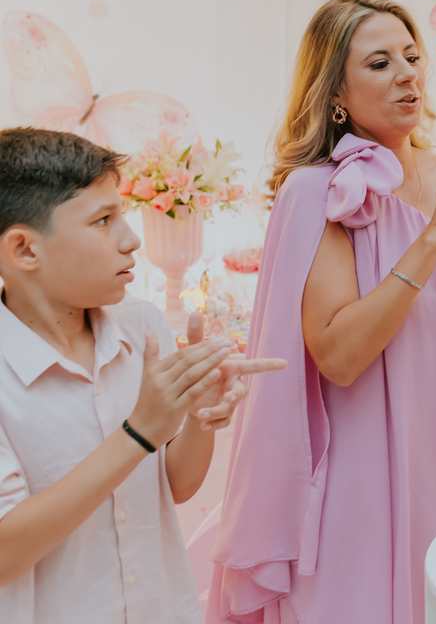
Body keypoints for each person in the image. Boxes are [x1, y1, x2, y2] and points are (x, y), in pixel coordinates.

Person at [207, 0, 436, 624]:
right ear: (337, 95)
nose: (407, 73)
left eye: (411, 56)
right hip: (361, 488)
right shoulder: (319, 190)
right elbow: (341, 356)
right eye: (379, 63)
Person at [0, 128, 285, 624]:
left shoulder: (143, 326)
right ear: (25, 249)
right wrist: (138, 432)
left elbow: (174, 486)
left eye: (122, 215)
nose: (131, 239)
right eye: (103, 220)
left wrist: (198, 415)